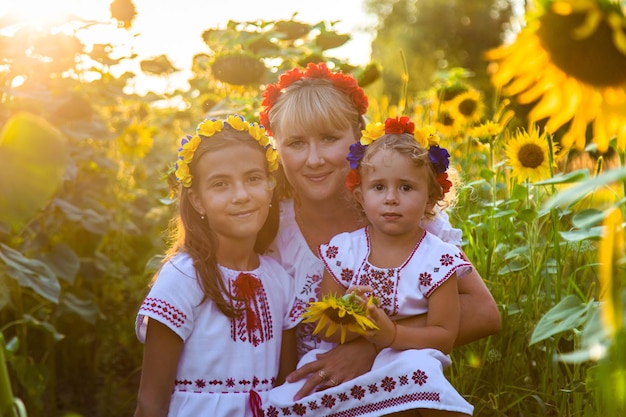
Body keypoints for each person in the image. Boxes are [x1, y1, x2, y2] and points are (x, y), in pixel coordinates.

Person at [259, 63, 501, 400]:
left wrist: (374, 346)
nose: (314, 159)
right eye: (296, 143)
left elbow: (484, 313)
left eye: (329, 138)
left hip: (396, 385)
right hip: (310, 393)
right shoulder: (269, 227)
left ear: (357, 136)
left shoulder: (403, 217)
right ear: (276, 146)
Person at [133, 115, 298, 417]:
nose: (242, 195)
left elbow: (285, 385)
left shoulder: (279, 281)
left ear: (270, 187)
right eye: (221, 184)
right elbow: (150, 403)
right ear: (197, 201)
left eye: (253, 179)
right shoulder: (183, 278)